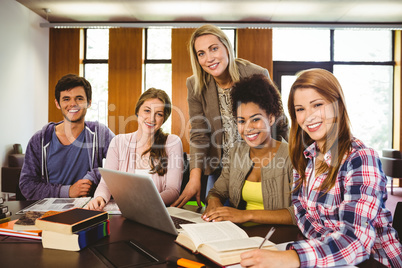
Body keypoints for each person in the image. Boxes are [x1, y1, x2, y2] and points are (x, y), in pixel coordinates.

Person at [240, 69, 402, 267]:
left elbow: (355, 240)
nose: (308, 117)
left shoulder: (361, 158)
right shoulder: (306, 157)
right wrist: (312, 249)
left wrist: (293, 257)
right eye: (300, 109)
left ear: (337, 105)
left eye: (317, 105)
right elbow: (301, 212)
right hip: (330, 258)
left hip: (373, 262)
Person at [171, 24, 289, 208]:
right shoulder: (194, 85)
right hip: (220, 169)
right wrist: (194, 178)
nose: (209, 58)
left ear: (226, 47)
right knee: (214, 216)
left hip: (259, 164)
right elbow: (199, 132)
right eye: (201, 53)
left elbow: (279, 120)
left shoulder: (255, 73)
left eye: (214, 49)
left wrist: (289, 162)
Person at [202, 74, 295, 225]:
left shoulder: (292, 156)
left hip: (277, 238)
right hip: (238, 235)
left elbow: (298, 213)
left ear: (271, 118)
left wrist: (246, 215)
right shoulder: (236, 152)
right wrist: (214, 204)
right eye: (241, 121)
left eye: (256, 119)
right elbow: (217, 192)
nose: (248, 128)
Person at [19, 74, 115, 200]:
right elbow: (27, 185)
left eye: (79, 98)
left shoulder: (100, 133)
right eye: (66, 99)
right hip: (49, 212)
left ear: (89, 102)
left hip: (90, 210)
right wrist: (68, 191)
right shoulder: (40, 140)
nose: (73, 104)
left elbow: (123, 164)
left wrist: (94, 175)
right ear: (57, 103)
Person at [86, 88, 183, 210]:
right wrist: (100, 198)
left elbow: (173, 190)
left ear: (164, 119)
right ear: (137, 111)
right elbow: (106, 183)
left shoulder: (172, 142)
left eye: (159, 114)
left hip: (155, 212)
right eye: (147, 111)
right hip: (124, 214)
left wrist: (147, 203)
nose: (151, 119)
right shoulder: (118, 141)